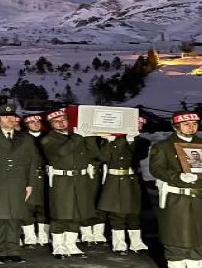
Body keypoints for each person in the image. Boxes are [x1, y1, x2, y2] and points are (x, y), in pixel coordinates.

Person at [149, 110, 202, 268]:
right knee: (177, 238)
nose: (191, 127)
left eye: (194, 124)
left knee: (200, 237)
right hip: (178, 199)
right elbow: (156, 169)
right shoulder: (164, 146)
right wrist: (178, 176)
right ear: (176, 126)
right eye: (186, 124)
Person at [0, 104, 40, 263]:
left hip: (19, 183)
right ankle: (0, 252)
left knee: (15, 218)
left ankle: (13, 251)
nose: (11, 119)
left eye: (13, 117)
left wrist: (30, 184)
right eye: (6, 117)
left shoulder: (26, 138)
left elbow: (33, 163)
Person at [40, 109, 100, 259]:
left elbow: (94, 155)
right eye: (56, 121)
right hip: (62, 181)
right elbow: (62, 152)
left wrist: (90, 137)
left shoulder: (76, 137)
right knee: (60, 214)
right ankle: (58, 245)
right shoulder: (48, 139)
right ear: (51, 124)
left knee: (76, 214)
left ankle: (71, 244)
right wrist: (79, 136)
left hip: (80, 179)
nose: (61, 123)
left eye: (64, 119)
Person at [97, 117, 148, 255]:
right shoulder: (113, 141)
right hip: (115, 178)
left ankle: (136, 242)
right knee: (117, 213)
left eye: (140, 124)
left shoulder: (142, 141)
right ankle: (119, 243)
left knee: (134, 212)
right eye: (135, 123)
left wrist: (131, 140)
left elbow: (138, 156)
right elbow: (103, 157)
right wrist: (109, 141)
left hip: (132, 179)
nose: (138, 126)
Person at [21, 114, 49, 247]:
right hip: (28, 176)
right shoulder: (21, 138)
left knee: (45, 206)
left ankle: (43, 236)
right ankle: (30, 237)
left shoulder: (49, 136)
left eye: (38, 121)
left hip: (46, 175)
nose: (36, 124)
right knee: (28, 207)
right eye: (32, 122)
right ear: (26, 125)